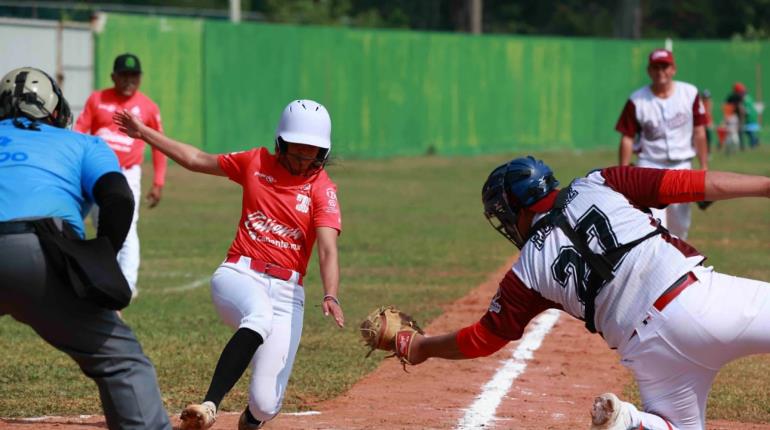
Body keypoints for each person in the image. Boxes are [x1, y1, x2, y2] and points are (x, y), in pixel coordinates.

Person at [383, 155, 770, 430]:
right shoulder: (600, 182)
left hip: (648, 350)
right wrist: (765, 185)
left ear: (519, 208)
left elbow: (485, 338)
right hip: (696, 299)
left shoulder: (526, 270)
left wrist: (423, 347)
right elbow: (687, 185)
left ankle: (630, 421)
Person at [113, 99, 344, 430]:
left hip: (288, 292)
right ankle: (209, 405)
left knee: (266, 404)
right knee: (259, 316)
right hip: (240, 274)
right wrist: (144, 133)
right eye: (296, 149)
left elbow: (327, 249)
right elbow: (196, 159)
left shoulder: (323, 188)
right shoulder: (256, 162)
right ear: (281, 143)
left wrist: (331, 293)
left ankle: (252, 420)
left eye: (313, 152)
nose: (303, 158)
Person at [0, 67, 171, 429]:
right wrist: (100, 262)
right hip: (36, 250)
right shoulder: (83, 143)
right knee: (123, 363)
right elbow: (119, 199)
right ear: (55, 110)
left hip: (29, 245)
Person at [75, 53, 167, 298]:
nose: (129, 80)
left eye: (134, 75)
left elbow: (159, 145)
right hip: (97, 174)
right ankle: (101, 276)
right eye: (124, 75)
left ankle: (126, 284)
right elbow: (80, 131)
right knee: (101, 226)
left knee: (127, 227)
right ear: (113, 76)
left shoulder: (148, 107)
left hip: (127, 174)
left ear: (140, 78)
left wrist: (158, 181)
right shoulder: (97, 99)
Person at [615, 48, 708, 240]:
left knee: (680, 226)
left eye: (665, 66)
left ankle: (677, 264)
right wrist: (623, 171)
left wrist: (704, 167)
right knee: (654, 225)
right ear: (649, 71)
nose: (660, 71)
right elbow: (627, 137)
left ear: (673, 69)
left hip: (682, 166)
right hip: (650, 165)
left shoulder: (689, 93)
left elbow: (699, 131)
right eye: (656, 67)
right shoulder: (637, 100)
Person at [726, 82, 761, 150]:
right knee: (748, 132)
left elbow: (743, 110)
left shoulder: (744, 99)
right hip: (749, 118)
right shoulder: (747, 97)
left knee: (747, 131)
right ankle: (753, 142)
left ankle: (751, 144)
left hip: (748, 118)